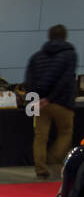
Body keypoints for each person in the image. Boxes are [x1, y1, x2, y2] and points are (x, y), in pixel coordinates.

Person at [25, 25, 78, 179]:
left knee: (40, 136)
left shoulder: (36, 56)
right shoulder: (70, 55)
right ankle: (53, 159)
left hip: (39, 102)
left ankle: (40, 168)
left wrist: (35, 100)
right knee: (65, 132)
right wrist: (50, 98)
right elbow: (66, 79)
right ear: (65, 36)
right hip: (61, 102)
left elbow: (29, 79)